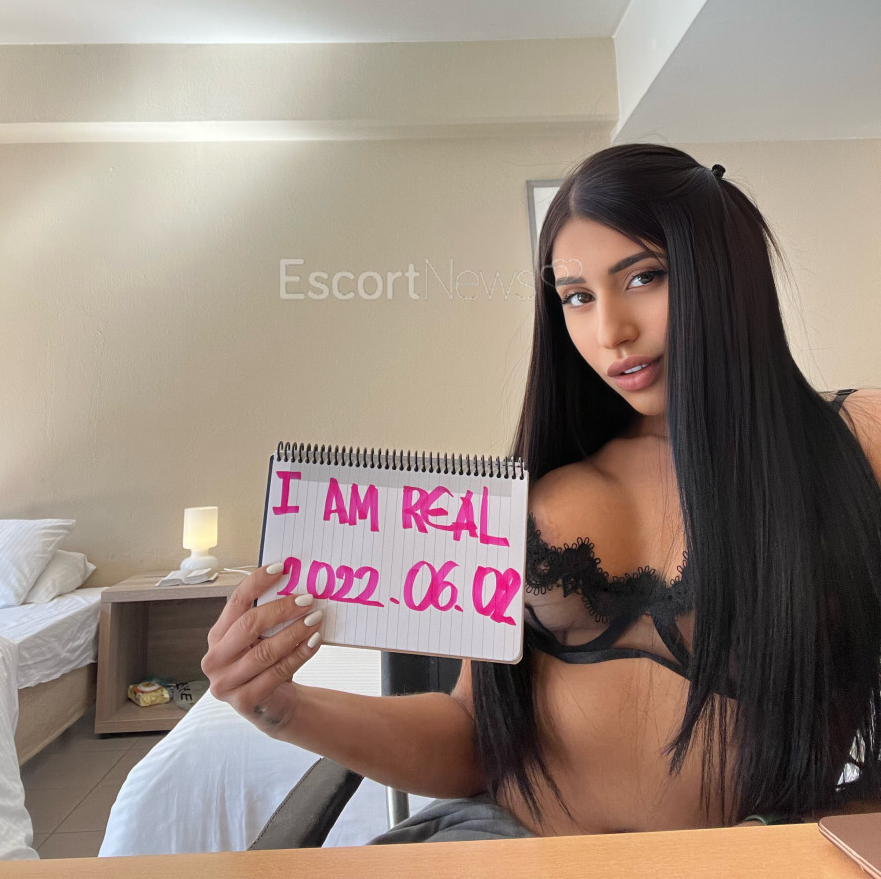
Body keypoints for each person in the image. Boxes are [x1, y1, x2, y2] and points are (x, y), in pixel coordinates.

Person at [202, 143, 881, 841]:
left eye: (644, 277)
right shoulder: (540, 490)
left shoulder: (857, 439)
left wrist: (807, 830)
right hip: (507, 847)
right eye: (577, 297)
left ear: (726, 269)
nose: (610, 332)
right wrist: (286, 708)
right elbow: (473, 736)